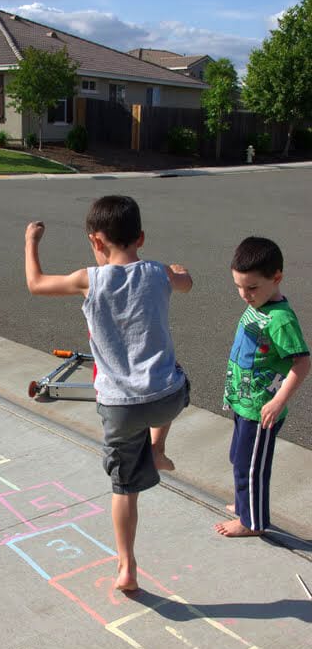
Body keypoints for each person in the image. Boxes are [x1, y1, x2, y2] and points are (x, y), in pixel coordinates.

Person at [25, 195, 192, 591]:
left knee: (124, 490)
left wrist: (31, 241)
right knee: (176, 377)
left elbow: (36, 284)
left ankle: (126, 567)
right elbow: (185, 284)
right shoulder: (156, 272)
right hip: (166, 397)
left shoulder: (89, 279)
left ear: (96, 242)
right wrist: (179, 272)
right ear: (141, 238)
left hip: (119, 407)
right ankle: (158, 447)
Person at [215, 236, 310, 538]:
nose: (244, 294)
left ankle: (252, 522)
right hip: (245, 400)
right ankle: (246, 503)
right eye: (239, 287)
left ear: (277, 278)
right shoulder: (260, 304)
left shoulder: (281, 320)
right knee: (238, 458)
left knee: (251, 468)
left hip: (262, 408)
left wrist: (279, 400)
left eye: (252, 287)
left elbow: (302, 363)